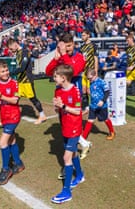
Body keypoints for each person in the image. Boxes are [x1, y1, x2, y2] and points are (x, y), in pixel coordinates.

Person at [45, 33, 92, 159]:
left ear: (74, 44)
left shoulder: (79, 57)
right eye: (64, 46)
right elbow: (48, 72)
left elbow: (74, 71)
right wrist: (55, 60)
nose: (67, 49)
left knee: (73, 119)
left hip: (74, 94)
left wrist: (64, 54)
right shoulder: (60, 57)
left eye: (69, 46)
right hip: (61, 93)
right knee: (64, 120)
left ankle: (78, 147)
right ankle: (80, 145)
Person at [51, 64, 85, 204]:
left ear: (63, 78)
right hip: (64, 126)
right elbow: (57, 110)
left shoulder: (75, 91)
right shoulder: (57, 90)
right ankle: (80, 175)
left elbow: (78, 111)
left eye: (55, 76)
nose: (54, 79)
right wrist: (56, 106)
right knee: (73, 154)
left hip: (74, 128)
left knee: (66, 158)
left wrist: (63, 106)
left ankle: (66, 191)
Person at [0, 61, 25, 185]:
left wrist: (1, 96)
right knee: (12, 140)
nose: (6, 73)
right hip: (4, 116)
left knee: (3, 142)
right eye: (2, 71)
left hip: (13, 116)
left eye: (6, 70)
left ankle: (6, 169)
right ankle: (18, 164)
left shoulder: (15, 83)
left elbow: (15, 101)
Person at [7, 38, 46, 124]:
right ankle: (10, 116)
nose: (10, 50)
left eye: (10, 48)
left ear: (15, 44)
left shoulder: (24, 52)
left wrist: (10, 73)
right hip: (20, 81)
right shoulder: (18, 53)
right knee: (15, 97)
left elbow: (22, 68)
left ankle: (42, 115)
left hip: (27, 80)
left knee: (33, 98)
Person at [81, 68, 115, 140]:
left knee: (105, 119)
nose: (89, 80)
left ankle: (112, 132)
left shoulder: (101, 82)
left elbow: (107, 92)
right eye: (88, 79)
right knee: (90, 121)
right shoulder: (91, 82)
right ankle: (83, 138)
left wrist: (102, 101)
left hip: (102, 106)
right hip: (93, 105)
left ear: (95, 75)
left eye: (90, 78)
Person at [80, 30, 99, 111]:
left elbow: (96, 59)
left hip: (90, 71)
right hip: (84, 71)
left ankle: (97, 105)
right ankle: (86, 107)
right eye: (82, 35)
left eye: (84, 35)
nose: (82, 37)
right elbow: (81, 59)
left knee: (89, 91)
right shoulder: (82, 47)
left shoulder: (93, 45)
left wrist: (96, 71)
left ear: (88, 35)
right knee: (83, 90)